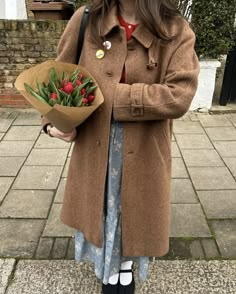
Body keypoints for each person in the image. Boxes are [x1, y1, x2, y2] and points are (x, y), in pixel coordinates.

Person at [42, 0, 199, 293]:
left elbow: (179, 96)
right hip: (94, 147)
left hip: (144, 151)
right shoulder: (87, 19)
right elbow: (59, 78)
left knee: (132, 214)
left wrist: (115, 98)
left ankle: (123, 270)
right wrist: (53, 121)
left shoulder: (175, 28)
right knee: (102, 210)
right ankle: (109, 271)